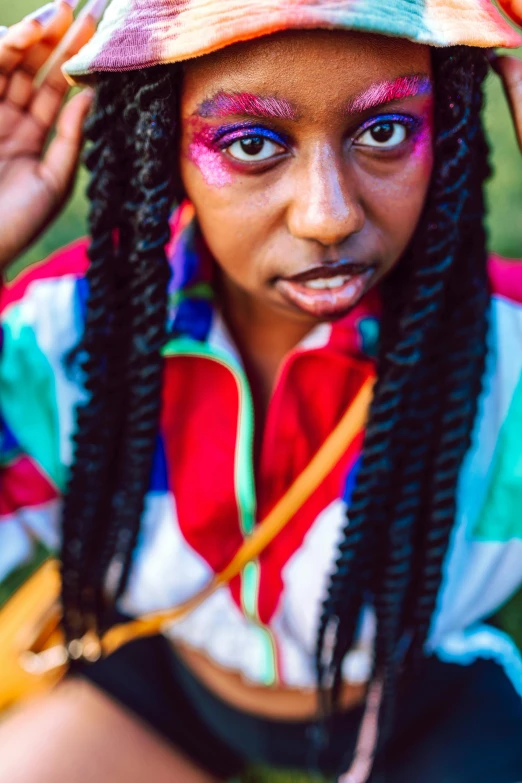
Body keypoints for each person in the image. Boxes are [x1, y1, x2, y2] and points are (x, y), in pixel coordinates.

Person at [0, 0, 521, 781]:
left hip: (427, 700)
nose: (328, 216)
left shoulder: (503, 347)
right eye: (250, 143)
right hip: (173, 678)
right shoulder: (65, 337)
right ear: (162, 141)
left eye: (382, 132)